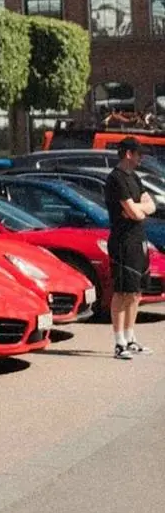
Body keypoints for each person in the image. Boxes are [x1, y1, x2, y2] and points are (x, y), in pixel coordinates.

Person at [104, 136, 155, 359]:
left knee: (135, 292)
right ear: (128, 154)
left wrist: (139, 208)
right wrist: (137, 210)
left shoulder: (134, 177)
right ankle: (119, 343)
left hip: (138, 239)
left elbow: (150, 205)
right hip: (122, 242)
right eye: (138, 154)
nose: (140, 158)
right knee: (122, 291)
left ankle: (130, 337)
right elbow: (133, 213)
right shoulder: (116, 179)